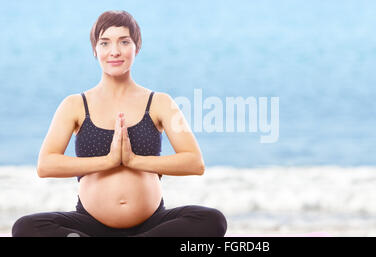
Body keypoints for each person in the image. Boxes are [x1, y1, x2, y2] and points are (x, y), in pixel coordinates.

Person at [11, 10, 227, 237]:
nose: (114, 51)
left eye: (124, 42)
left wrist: (133, 160)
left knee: (212, 220)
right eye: (104, 43)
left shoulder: (159, 102)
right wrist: (109, 161)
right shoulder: (75, 104)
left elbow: (194, 162)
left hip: (151, 225)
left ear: (137, 47)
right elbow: (46, 165)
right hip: (90, 225)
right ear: (95, 49)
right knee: (26, 227)